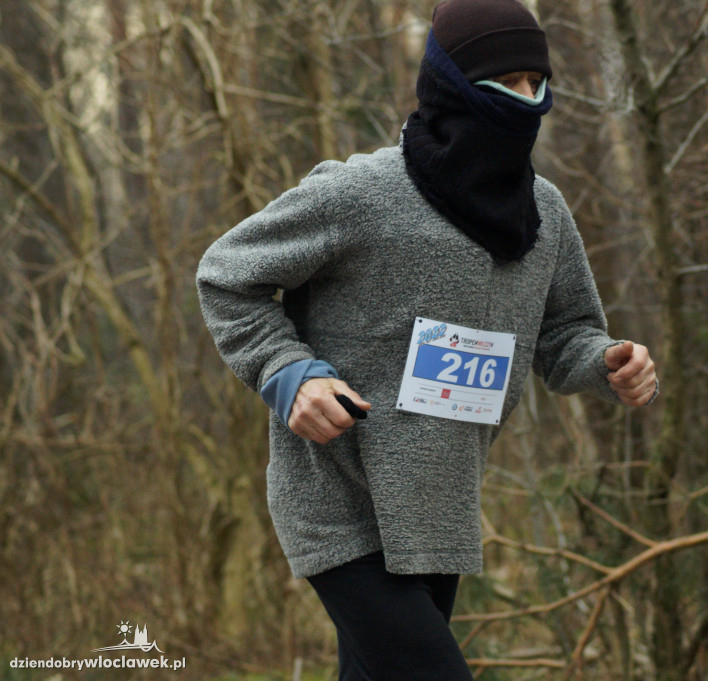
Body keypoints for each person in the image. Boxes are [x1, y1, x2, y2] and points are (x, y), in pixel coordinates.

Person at [196, 0, 658, 678]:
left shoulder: (545, 214)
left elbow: (565, 335)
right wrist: (289, 374)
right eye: (505, 82)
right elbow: (225, 275)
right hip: (339, 501)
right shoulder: (360, 194)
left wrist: (609, 362)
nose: (525, 99)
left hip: (440, 508)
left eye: (536, 82)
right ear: (453, 85)